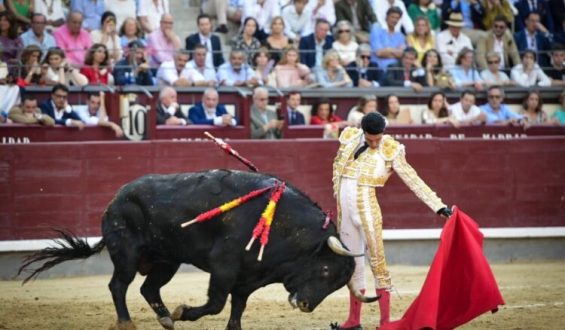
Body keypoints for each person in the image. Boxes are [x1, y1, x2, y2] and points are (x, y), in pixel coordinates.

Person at [332, 112, 452, 330]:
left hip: (367, 212)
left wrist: (438, 206)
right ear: (362, 131)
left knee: (378, 264)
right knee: (352, 264)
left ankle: (385, 323)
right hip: (345, 214)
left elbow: (413, 179)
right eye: (370, 139)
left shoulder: (391, 149)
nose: (375, 143)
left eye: (378, 138)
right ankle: (353, 320)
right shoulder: (349, 137)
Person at [369, 6, 406, 72]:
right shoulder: (377, 28)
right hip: (379, 69)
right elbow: (379, 53)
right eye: (392, 17)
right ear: (387, 17)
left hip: (395, 71)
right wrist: (395, 52)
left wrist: (387, 49)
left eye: (397, 18)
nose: (394, 20)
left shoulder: (400, 36)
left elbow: (402, 54)